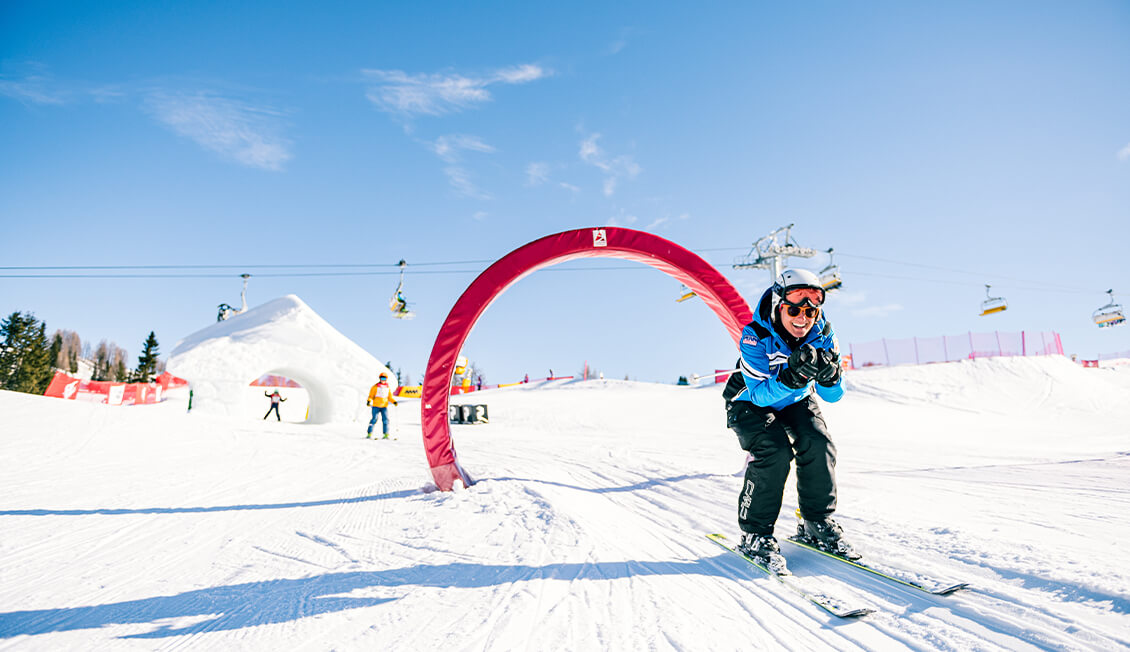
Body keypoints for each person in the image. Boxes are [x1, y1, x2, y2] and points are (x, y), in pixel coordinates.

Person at [722, 268, 854, 574]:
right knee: (775, 451)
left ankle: (815, 520)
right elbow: (759, 396)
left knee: (818, 442)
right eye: (793, 309)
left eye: (810, 310)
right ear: (779, 305)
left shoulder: (822, 333)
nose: (802, 318)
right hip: (748, 400)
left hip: (795, 399)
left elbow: (832, 396)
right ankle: (755, 532)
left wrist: (831, 377)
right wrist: (791, 378)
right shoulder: (756, 336)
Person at [366, 373, 398, 439]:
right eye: (382, 378)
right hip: (376, 406)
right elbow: (371, 396)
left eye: (384, 378)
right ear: (380, 379)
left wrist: (394, 401)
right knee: (374, 419)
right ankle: (369, 433)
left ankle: (386, 434)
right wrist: (369, 401)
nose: (383, 380)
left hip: (384, 406)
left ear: (386, 379)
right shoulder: (375, 387)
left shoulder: (387, 387)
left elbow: (389, 397)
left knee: (385, 420)